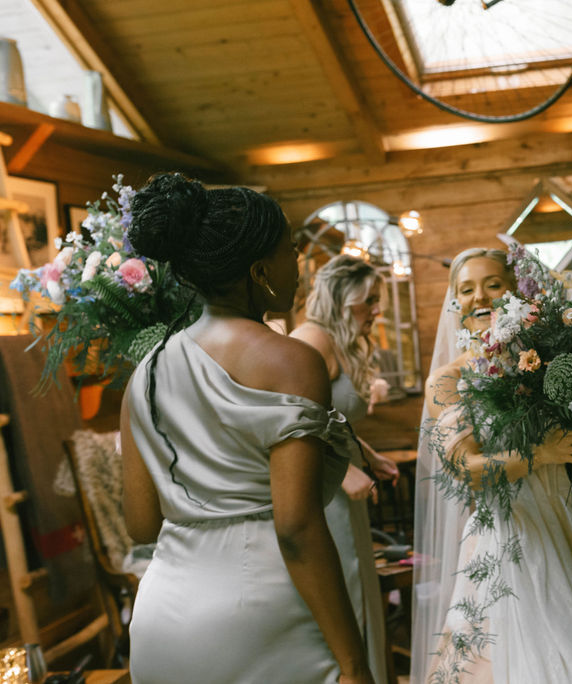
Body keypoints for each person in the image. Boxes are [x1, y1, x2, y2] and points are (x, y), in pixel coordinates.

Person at [120, 173, 372, 684]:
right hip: (263, 612)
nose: (299, 264)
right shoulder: (291, 362)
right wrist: (354, 662)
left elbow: (142, 525)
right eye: (289, 251)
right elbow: (297, 528)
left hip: (163, 617)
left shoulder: (143, 374)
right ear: (260, 271)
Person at [410, 248, 572, 683]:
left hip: (571, 525)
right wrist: (541, 454)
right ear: (455, 303)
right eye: (467, 289)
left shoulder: (548, 362)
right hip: (510, 536)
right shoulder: (447, 381)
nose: (480, 297)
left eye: (493, 285)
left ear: (516, 293)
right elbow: (466, 468)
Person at [290, 255, 400, 684]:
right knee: (344, 589)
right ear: (341, 298)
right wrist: (344, 470)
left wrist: (366, 454)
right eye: (369, 301)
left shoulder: (335, 342)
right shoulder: (310, 342)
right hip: (322, 494)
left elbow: (329, 417)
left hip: (344, 490)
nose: (377, 310)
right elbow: (291, 427)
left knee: (358, 582)